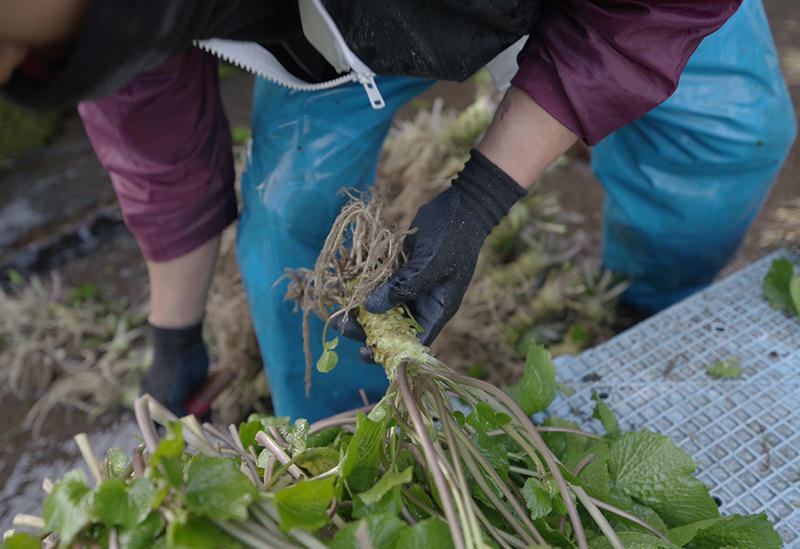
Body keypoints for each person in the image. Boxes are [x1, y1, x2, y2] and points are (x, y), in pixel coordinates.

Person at [2, 1, 792, 423]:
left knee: (727, 134)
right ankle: (347, 430)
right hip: (346, 49)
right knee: (289, 220)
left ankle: (638, 311)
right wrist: (172, 342)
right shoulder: (81, 36)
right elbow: (152, 136)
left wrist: (487, 191)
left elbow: (656, 9)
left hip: (606, 3)